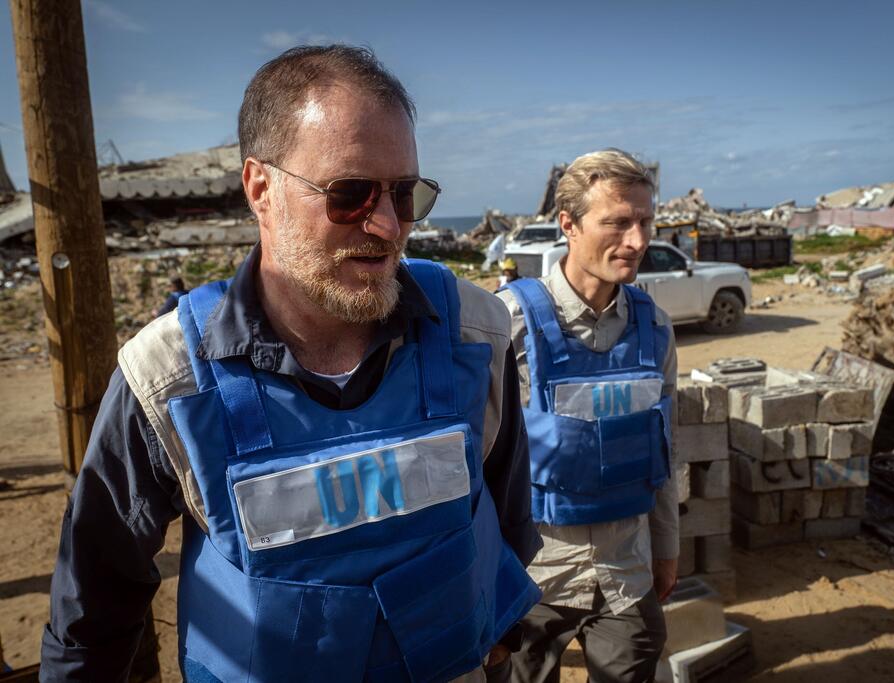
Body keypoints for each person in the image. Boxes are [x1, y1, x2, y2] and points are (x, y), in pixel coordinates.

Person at [40, 45, 541, 683]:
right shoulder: (167, 377)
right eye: (351, 194)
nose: (388, 226)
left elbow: (504, 515)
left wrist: (498, 630)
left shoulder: (475, 332)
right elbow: (94, 608)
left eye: (405, 193)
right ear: (261, 188)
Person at [497, 149, 679, 683]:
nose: (638, 242)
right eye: (618, 223)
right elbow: (476, 466)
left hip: (627, 575)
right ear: (568, 225)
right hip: (533, 580)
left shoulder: (656, 328)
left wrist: (665, 551)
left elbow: (667, 452)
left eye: (645, 222)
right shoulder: (506, 326)